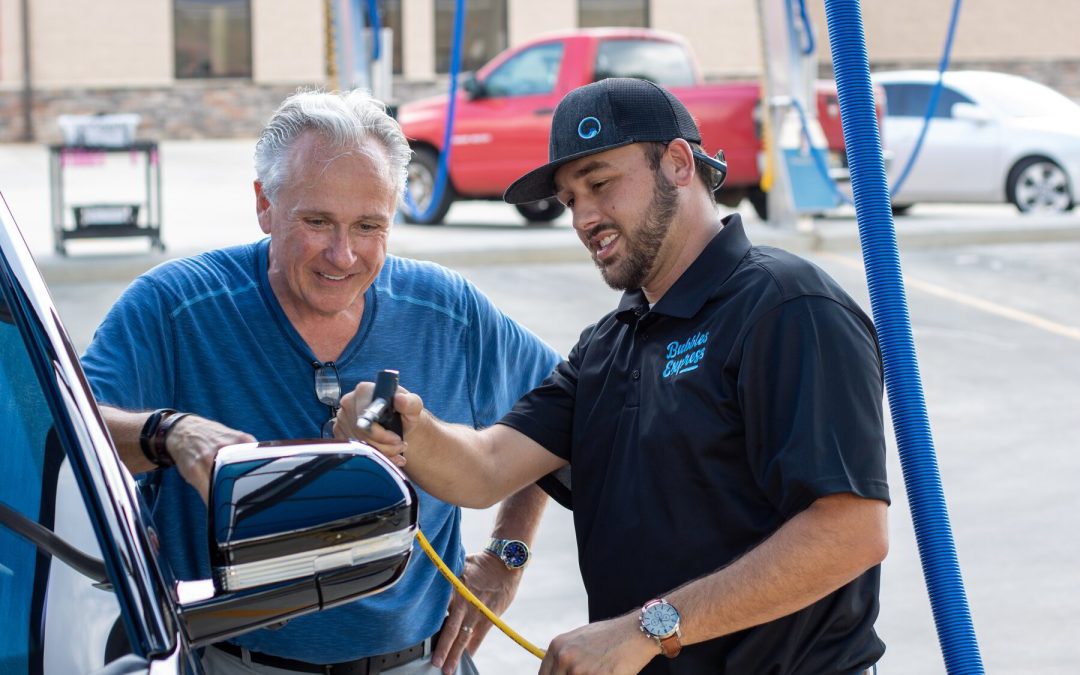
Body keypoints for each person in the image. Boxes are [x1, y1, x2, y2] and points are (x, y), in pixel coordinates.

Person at [336, 78, 891, 674]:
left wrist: (648, 630)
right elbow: (486, 468)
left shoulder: (786, 308)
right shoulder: (610, 343)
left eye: (600, 184)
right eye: (570, 199)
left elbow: (851, 530)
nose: (583, 217)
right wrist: (409, 430)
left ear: (678, 163)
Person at [81, 89, 561, 675]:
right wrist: (167, 433)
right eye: (316, 222)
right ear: (264, 204)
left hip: (421, 662)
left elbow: (554, 418)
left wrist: (506, 558)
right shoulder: (176, 306)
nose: (343, 254)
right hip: (233, 662)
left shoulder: (447, 310)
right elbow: (62, 430)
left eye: (368, 226)